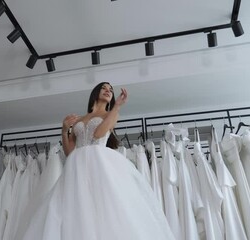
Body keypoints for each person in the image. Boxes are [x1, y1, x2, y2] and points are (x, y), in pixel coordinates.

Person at [17, 82, 175, 240]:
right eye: (104, 88)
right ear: (95, 92)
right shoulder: (80, 118)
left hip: (99, 163)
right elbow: (69, 152)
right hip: (76, 166)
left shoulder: (112, 114)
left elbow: (99, 134)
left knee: (102, 206)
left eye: (111, 90)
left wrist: (117, 106)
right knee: (75, 207)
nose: (108, 91)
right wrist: (65, 130)